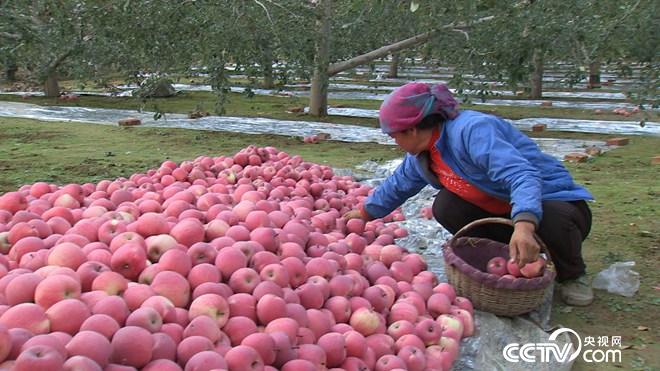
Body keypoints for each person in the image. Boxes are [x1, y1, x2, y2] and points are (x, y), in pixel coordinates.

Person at [344, 82, 594, 306]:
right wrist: (364, 213)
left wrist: (525, 225)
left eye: (393, 136)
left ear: (411, 130)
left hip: (551, 204)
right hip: (499, 211)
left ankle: (572, 274)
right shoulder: (422, 154)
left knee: (551, 216)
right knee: (445, 206)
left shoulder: (472, 131)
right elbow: (399, 184)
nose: (394, 142)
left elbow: (522, 176)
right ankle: (503, 260)